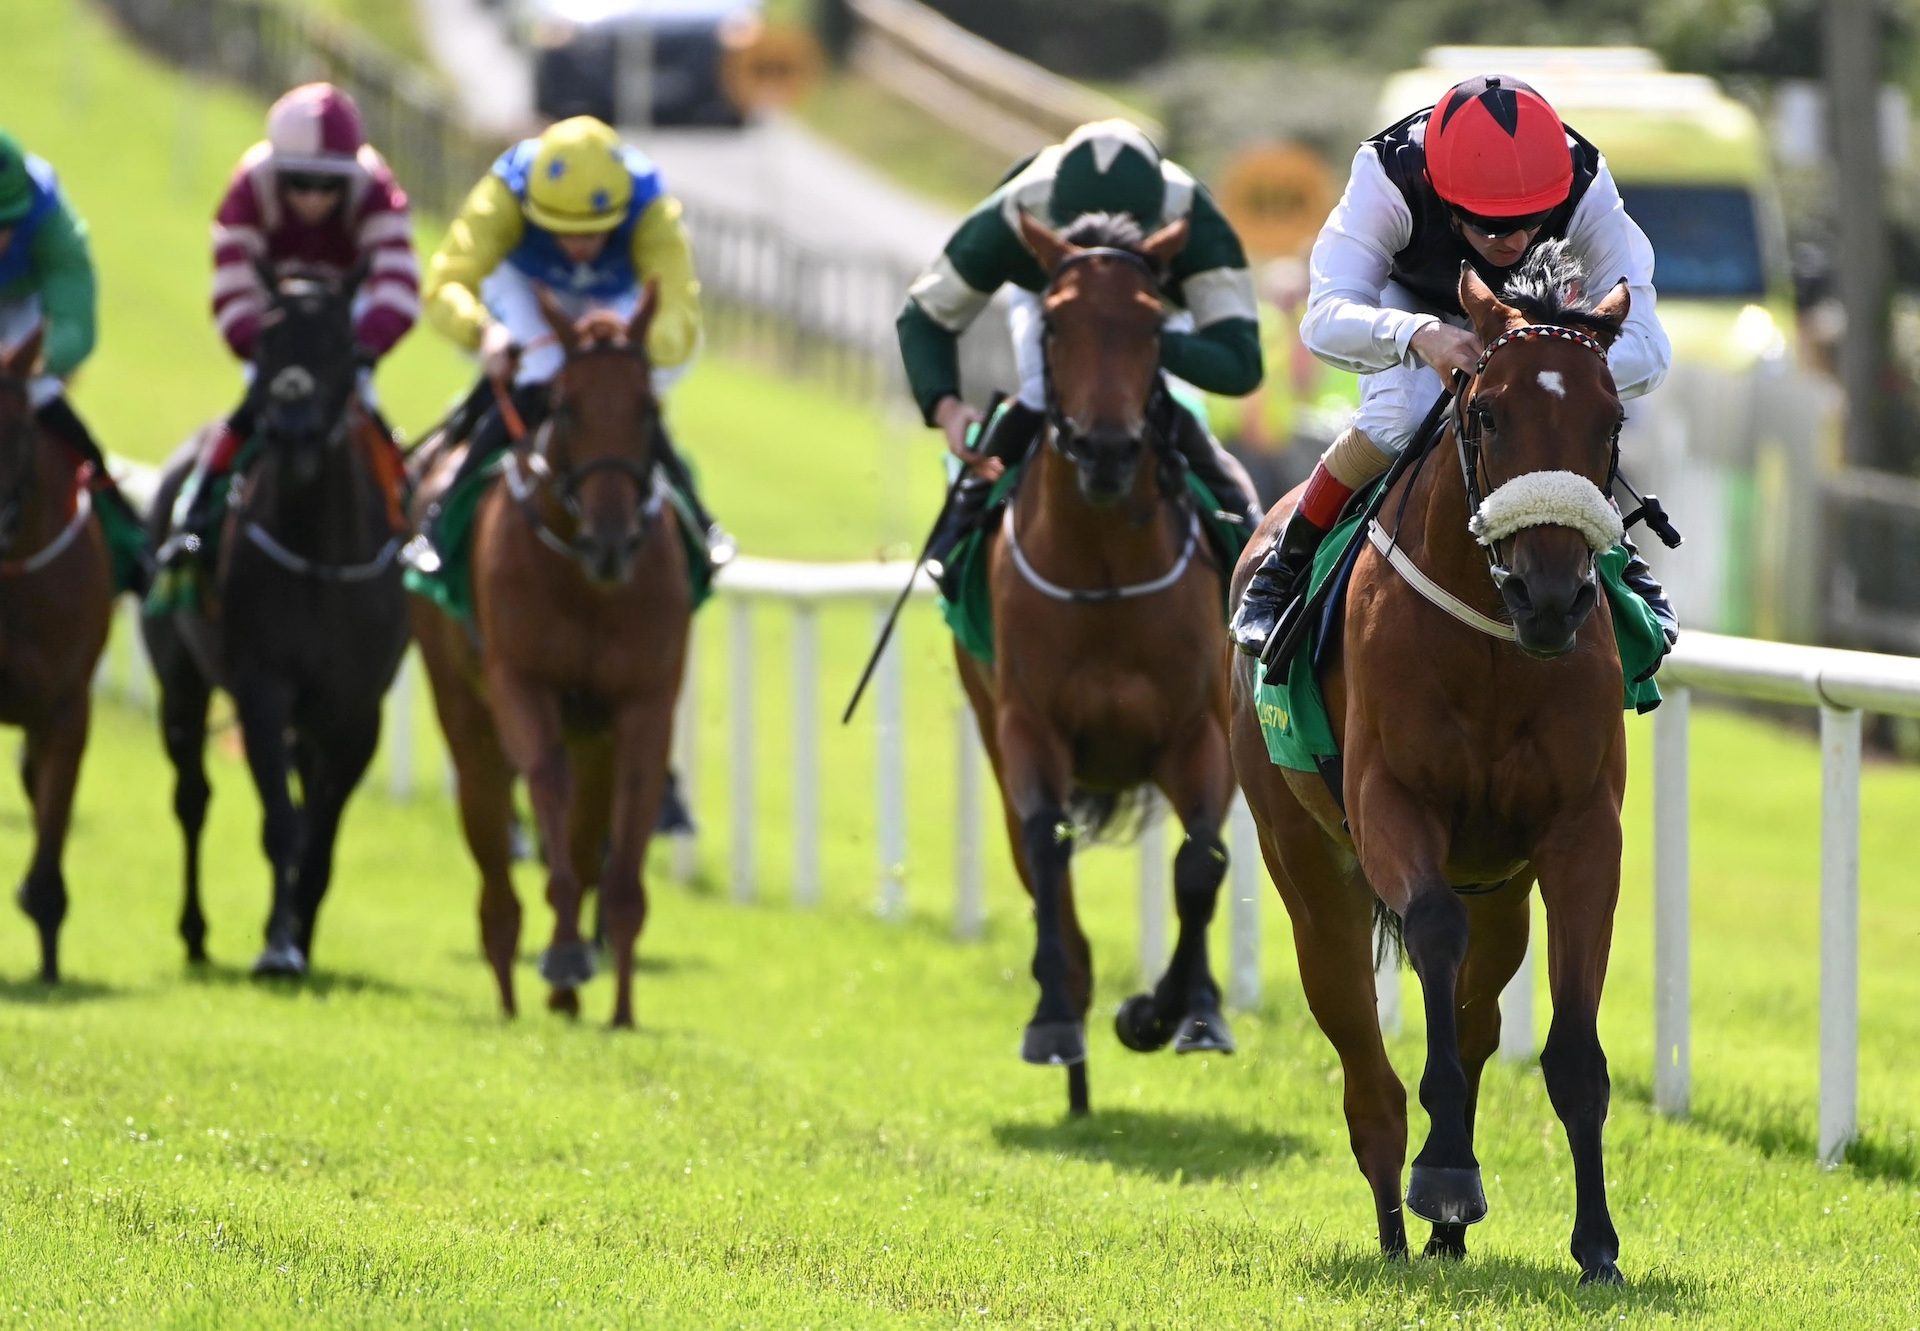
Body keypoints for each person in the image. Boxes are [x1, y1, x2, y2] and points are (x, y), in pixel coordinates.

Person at [1228, 74, 1679, 660]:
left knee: (1554, 412)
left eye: (1534, 220)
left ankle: (1619, 551)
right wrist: (1418, 335)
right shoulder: (1388, 175)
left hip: (1529, 320)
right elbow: (1325, 318)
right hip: (1409, 303)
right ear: (1447, 202)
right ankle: (1284, 565)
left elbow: (1649, 344)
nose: (1515, 241)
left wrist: (1550, 369)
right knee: (1400, 418)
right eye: (1492, 226)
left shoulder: (1585, 180)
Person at [896, 118, 1265, 595]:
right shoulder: (1013, 210)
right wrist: (946, 408)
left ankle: (1244, 533)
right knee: (1039, 390)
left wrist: (1139, 337)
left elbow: (1241, 364)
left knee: (1157, 400)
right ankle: (959, 532)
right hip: (1056, 301)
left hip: (1145, 310)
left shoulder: (1195, 219)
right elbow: (924, 314)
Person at [407, 114, 728, 575]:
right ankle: (438, 524)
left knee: (620, 389)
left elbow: (680, 311)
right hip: (526, 284)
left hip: (613, 294)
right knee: (542, 366)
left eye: (592, 232)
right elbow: (446, 283)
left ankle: (699, 519)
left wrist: (629, 351)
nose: (575, 246)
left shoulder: (649, 204)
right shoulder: (507, 188)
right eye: (558, 228)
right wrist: (481, 330)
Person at [161, 82, 420, 575]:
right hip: (277, 328)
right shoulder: (249, 187)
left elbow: (398, 284)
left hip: (342, 329)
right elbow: (233, 281)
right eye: (300, 183)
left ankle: (408, 525)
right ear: (279, 173)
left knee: (368, 412)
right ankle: (193, 520)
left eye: (331, 186)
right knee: (252, 407)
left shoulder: (377, 191)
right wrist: (258, 345)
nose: (315, 198)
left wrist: (362, 347)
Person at [0, 128, 152, 594]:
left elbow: (74, 318)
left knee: (46, 403)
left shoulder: (52, 222)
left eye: (5, 226)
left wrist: (36, 365)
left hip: (22, 313)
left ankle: (128, 537)